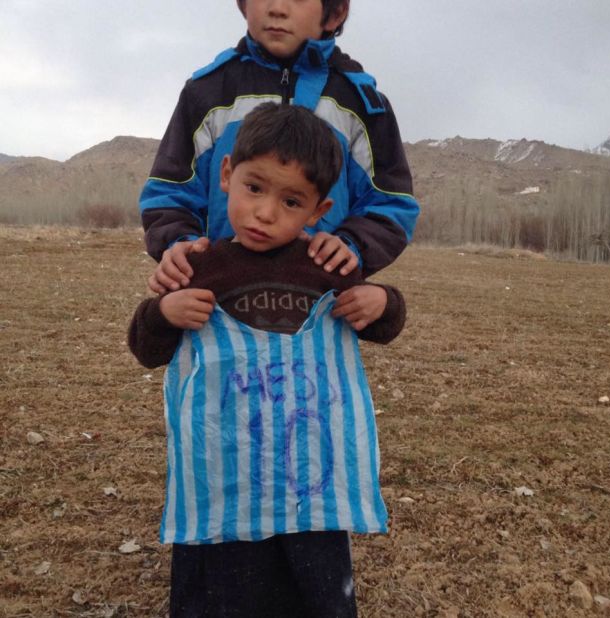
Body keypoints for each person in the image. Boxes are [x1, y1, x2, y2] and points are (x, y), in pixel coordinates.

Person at [129, 102, 407, 618]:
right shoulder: (198, 266)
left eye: (291, 200)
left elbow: (383, 326)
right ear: (227, 173)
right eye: (254, 187)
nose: (265, 212)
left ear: (318, 211)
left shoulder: (326, 266)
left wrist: (382, 300)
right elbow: (147, 349)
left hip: (311, 489)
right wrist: (165, 313)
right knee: (222, 595)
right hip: (225, 483)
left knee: (311, 594)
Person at [140, 0, 419, 300]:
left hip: (317, 304)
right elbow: (169, 191)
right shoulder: (206, 92)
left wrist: (351, 245)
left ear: (334, 13)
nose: (277, 8)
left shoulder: (362, 104)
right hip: (217, 300)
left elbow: (392, 204)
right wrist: (180, 244)